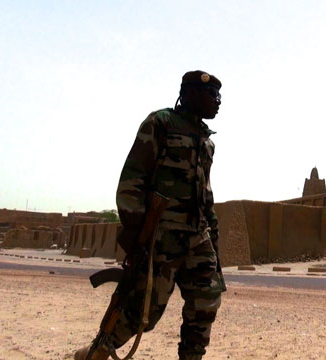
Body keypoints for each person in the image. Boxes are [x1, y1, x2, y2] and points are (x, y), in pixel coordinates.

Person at [75, 70, 226, 360]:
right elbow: (133, 179)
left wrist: (214, 237)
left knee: (207, 301)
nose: (218, 102)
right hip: (161, 236)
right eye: (212, 95)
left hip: (198, 236)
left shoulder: (207, 142)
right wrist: (136, 233)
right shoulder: (161, 123)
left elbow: (205, 193)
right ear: (191, 94)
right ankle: (99, 351)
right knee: (147, 310)